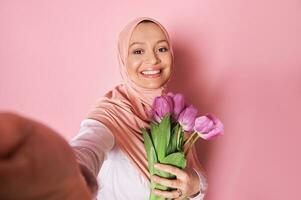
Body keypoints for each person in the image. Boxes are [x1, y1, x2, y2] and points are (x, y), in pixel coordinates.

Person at [70, 17, 208, 200]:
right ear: (123, 59)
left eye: (161, 49)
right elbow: (88, 147)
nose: (152, 59)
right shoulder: (111, 113)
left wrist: (195, 185)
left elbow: (193, 178)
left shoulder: (174, 114)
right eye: (138, 51)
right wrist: (70, 170)